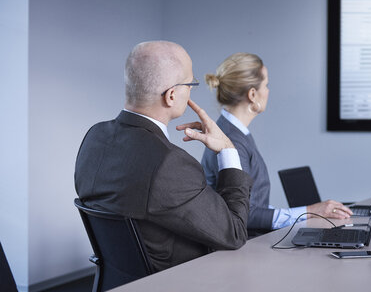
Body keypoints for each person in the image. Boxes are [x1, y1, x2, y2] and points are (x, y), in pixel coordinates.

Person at [74, 41, 253, 272]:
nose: (191, 90)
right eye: (190, 84)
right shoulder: (169, 164)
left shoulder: (95, 138)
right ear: (171, 95)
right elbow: (235, 233)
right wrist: (228, 150)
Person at [201, 52, 352, 236]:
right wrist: (310, 211)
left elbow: (254, 204)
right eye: (267, 85)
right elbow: (245, 214)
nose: (268, 91)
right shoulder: (232, 140)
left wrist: (303, 214)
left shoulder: (233, 131)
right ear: (253, 94)